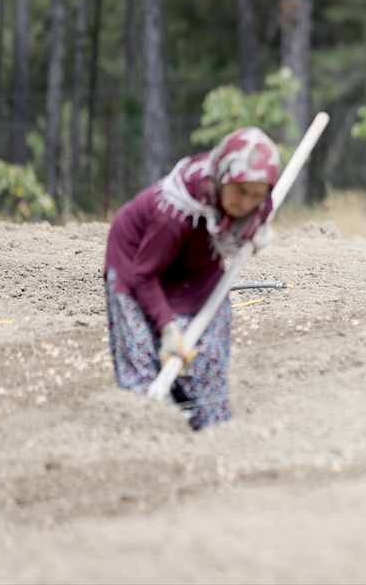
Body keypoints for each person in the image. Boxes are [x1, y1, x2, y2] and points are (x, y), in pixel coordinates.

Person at [103, 128, 281, 430]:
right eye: (240, 191)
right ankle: (155, 425)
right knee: (143, 348)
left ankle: (208, 421)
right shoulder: (174, 213)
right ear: (223, 178)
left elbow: (245, 221)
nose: (247, 203)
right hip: (138, 260)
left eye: (256, 195)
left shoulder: (255, 200)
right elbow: (144, 276)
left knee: (208, 340)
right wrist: (169, 329)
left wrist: (254, 231)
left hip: (195, 258)